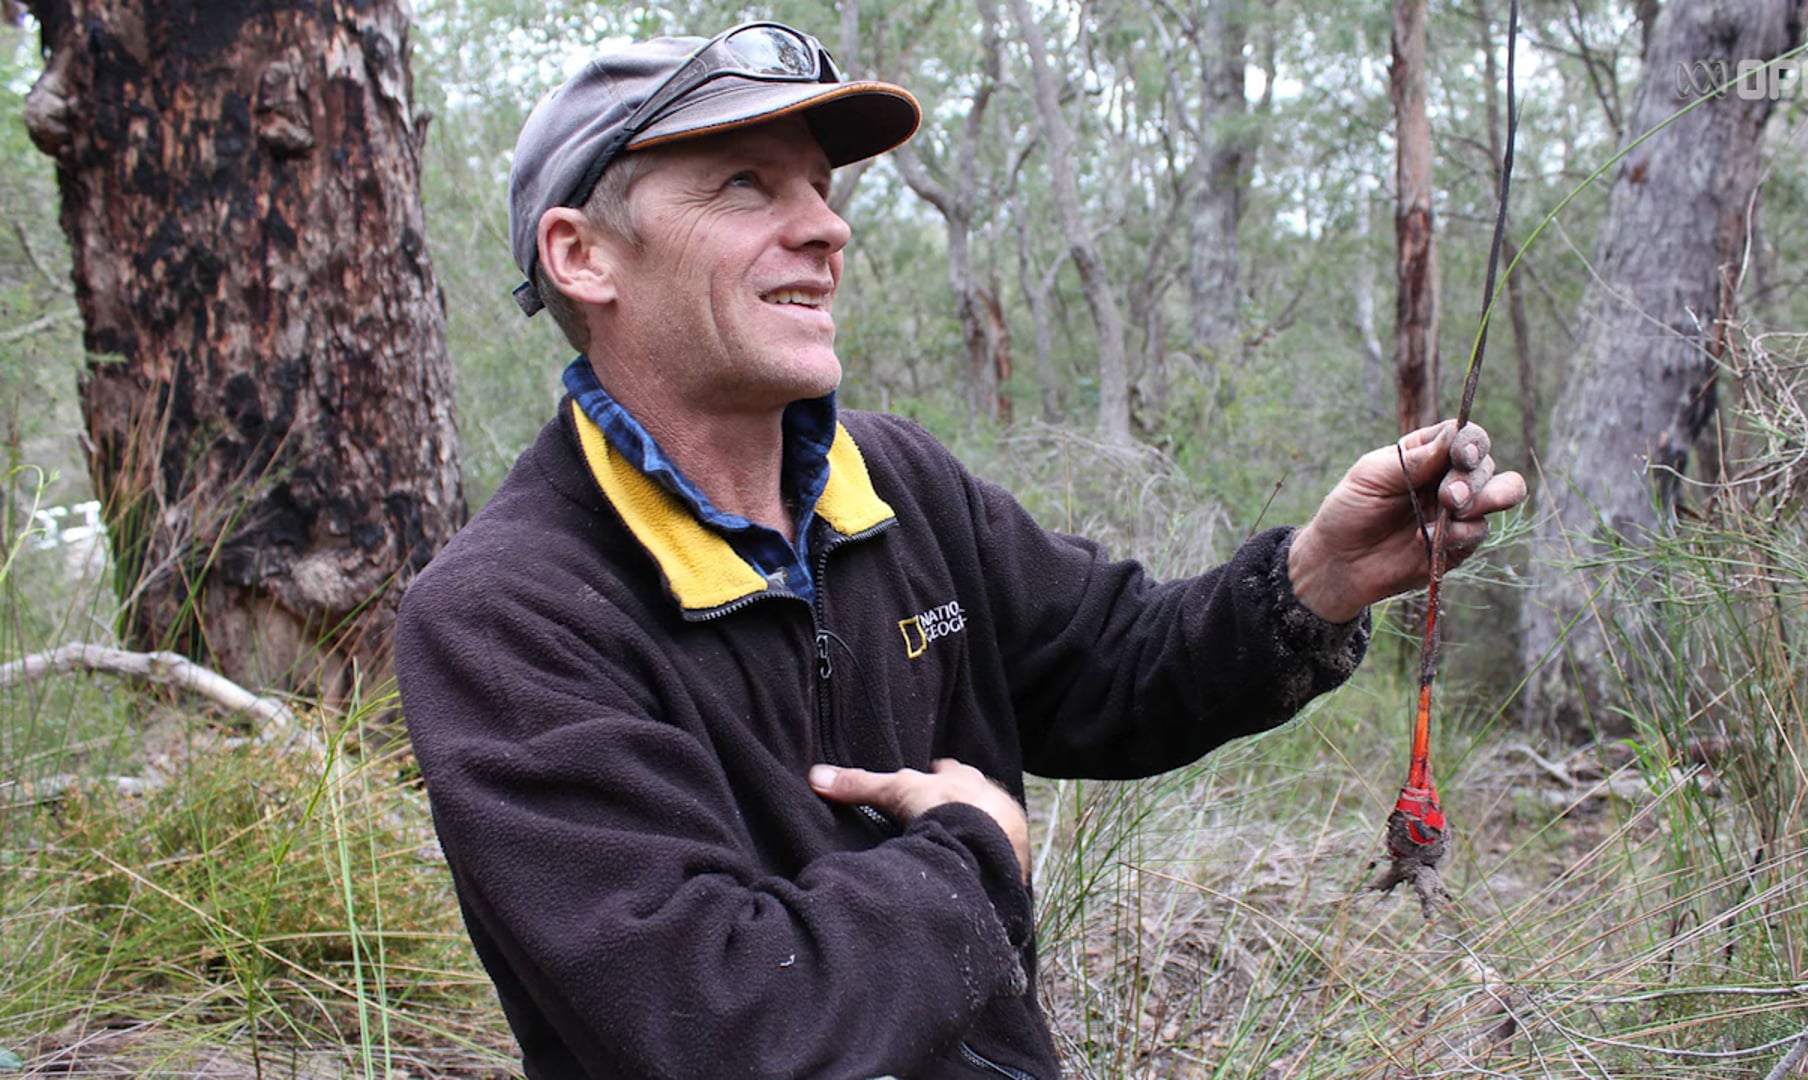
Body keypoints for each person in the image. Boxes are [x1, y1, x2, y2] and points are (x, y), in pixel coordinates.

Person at [395, 21, 1526, 1080]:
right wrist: (974, 849)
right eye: (745, 183)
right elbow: (725, 1021)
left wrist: (1313, 582)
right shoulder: (508, 618)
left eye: (820, 188)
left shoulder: (895, 484)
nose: (827, 228)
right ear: (582, 255)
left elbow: (1114, 667)